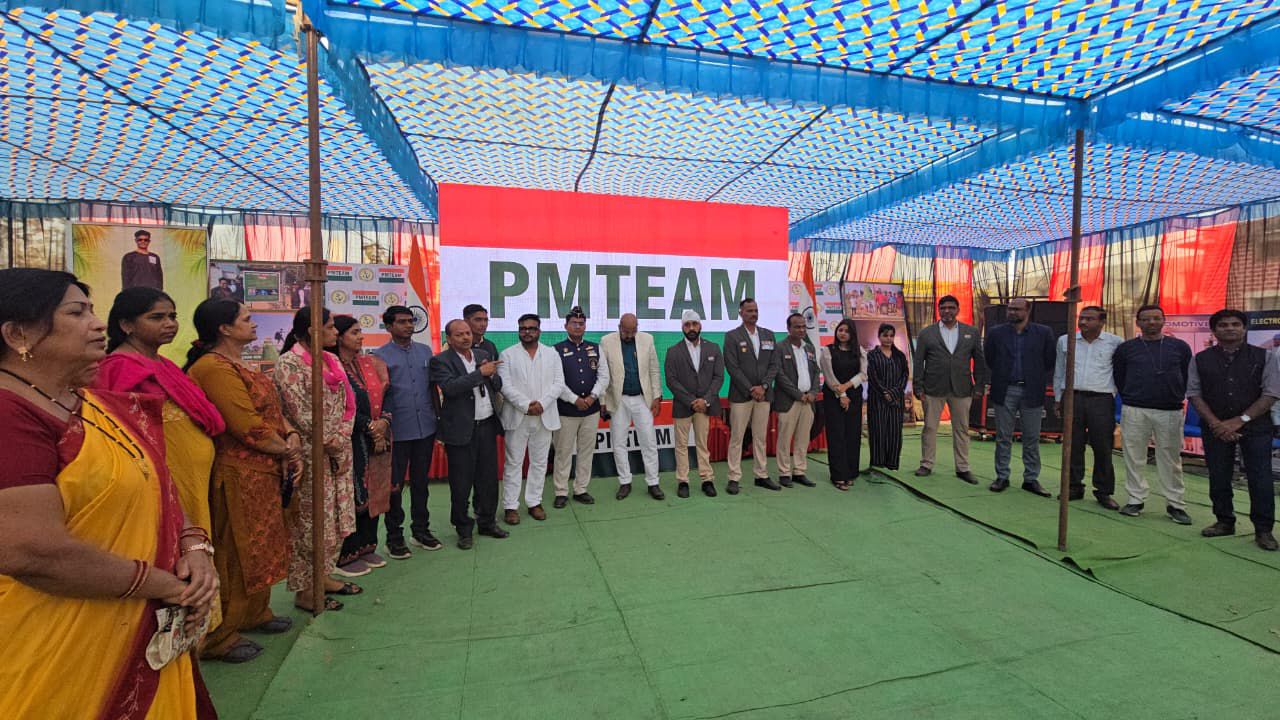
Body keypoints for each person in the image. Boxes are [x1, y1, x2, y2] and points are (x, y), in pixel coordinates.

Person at [0, 269, 216, 717]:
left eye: (92, 310)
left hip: (140, 621)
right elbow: (32, 553)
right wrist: (166, 586)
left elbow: (156, 486)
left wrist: (194, 547)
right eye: (77, 312)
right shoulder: (10, 415)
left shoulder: (93, 403)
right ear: (17, 334)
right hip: (58, 647)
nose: (98, 324)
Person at [93, 288, 231, 648]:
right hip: (165, 477)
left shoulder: (163, 364)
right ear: (126, 325)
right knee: (174, 549)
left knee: (198, 545)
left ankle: (202, 633)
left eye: (172, 316)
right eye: (156, 317)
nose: (169, 324)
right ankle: (183, 637)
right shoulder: (118, 368)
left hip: (193, 477)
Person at [186, 299, 297, 662]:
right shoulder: (212, 368)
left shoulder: (239, 363)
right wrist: (287, 449)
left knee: (262, 547)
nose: (253, 323)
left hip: (264, 471)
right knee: (235, 549)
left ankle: (254, 613)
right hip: (238, 473)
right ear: (224, 328)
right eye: (246, 319)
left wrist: (291, 435)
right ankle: (220, 634)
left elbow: (272, 412)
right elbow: (246, 425)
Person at [274, 308, 359, 612]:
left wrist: (341, 438)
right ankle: (306, 591)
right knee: (310, 524)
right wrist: (331, 441)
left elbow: (349, 405)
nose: (336, 332)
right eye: (331, 327)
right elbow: (300, 413)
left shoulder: (331, 360)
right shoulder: (289, 364)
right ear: (313, 330)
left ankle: (323, 577)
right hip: (311, 456)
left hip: (338, 451)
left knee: (334, 519)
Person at [1188, 310, 1280, 550]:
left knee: (1260, 479)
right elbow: (1194, 393)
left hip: (1256, 427)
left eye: (1235, 324)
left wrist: (1240, 420)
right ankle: (1224, 521)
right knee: (1219, 475)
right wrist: (1216, 424)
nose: (1230, 328)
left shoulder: (1265, 357)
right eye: (1223, 325)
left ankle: (1263, 530)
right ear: (1214, 330)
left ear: (1244, 328)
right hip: (1216, 428)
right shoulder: (1200, 359)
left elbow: (1271, 393)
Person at [430, 319, 509, 548]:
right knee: (461, 484)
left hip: (487, 425)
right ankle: (464, 529)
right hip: (460, 430)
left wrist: (491, 375)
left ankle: (487, 522)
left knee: (488, 480)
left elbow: (497, 385)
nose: (466, 337)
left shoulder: (482, 353)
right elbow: (450, 388)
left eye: (467, 333)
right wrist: (480, 373)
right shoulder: (440, 360)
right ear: (449, 338)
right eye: (459, 334)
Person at [1113, 304, 1194, 524]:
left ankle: (1175, 504)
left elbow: (1187, 375)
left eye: (1156, 318)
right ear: (1138, 322)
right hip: (1135, 408)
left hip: (1170, 409)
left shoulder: (1179, 347)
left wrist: (1174, 394)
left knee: (1171, 458)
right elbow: (1120, 377)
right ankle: (1135, 499)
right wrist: (1132, 395)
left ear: (1163, 321)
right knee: (1133, 456)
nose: (1151, 323)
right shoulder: (1126, 349)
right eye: (1146, 319)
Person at [373, 305, 440, 559]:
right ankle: (394, 537)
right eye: (402, 322)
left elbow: (432, 390)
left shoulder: (425, 352)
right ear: (389, 326)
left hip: (425, 428)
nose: (409, 326)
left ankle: (421, 531)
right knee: (395, 486)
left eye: (410, 321)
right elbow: (378, 397)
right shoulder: (379, 357)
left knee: (421, 483)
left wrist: (439, 420)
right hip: (397, 431)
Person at [330, 315, 393, 575]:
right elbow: (337, 406)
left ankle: (367, 546)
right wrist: (368, 425)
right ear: (339, 336)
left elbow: (389, 394)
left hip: (377, 438)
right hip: (349, 439)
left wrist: (383, 422)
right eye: (354, 332)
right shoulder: (331, 367)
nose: (361, 337)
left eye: (360, 332)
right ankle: (346, 554)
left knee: (373, 491)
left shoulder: (370, 363)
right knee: (352, 494)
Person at [983, 298, 1056, 496]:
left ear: (1028, 310)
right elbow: (990, 358)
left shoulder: (1043, 333)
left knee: (1031, 437)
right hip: (1005, 389)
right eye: (1010, 309)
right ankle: (1002, 476)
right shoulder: (996, 333)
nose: (1012, 312)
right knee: (1003, 436)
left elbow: (1049, 360)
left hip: (1032, 390)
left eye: (1017, 309)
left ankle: (1031, 479)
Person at [1052, 306, 1123, 509]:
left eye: (1089, 319)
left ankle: (1104, 491)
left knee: (1103, 446)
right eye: (1081, 318)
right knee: (1072, 444)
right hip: (1072, 397)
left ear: (1102, 322)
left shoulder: (1115, 343)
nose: (1083, 322)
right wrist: (1058, 398)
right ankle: (1073, 486)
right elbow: (1059, 371)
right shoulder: (1066, 340)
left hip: (1101, 399)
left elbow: (1120, 372)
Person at [498, 314, 565, 523]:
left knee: (539, 462)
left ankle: (534, 502)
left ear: (539, 331)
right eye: (523, 328)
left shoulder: (551, 354)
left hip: (544, 415)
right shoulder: (507, 354)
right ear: (519, 331)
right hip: (517, 416)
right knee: (513, 463)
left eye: (531, 328)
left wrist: (542, 404)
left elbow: (559, 383)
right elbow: (505, 386)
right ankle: (510, 506)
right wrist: (526, 405)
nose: (527, 332)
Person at [912, 294, 985, 484]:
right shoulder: (926, 333)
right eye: (943, 308)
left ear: (957, 310)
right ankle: (926, 464)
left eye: (951, 308)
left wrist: (979, 385)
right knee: (929, 428)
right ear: (939, 310)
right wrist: (918, 387)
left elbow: (979, 361)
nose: (947, 311)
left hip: (962, 388)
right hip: (933, 388)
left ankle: (963, 467)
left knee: (961, 429)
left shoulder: (971, 332)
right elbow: (918, 362)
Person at [599, 313, 665, 500]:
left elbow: (654, 369)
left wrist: (657, 396)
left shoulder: (647, 339)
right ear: (619, 327)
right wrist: (602, 401)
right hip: (617, 399)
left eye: (632, 331)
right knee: (619, 442)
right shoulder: (606, 342)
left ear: (637, 327)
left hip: (642, 399)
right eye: (626, 331)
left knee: (649, 441)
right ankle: (625, 481)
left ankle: (653, 482)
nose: (629, 335)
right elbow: (602, 373)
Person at [552, 306, 610, 507]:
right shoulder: (556, 350)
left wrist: (593, 396)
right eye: (574, 323)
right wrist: (574, 399)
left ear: (585, 326)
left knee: (586, 451)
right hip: (566, 411)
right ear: (566, 326)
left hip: (591, 411)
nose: (578, 326)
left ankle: (581, 489)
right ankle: (561, 491)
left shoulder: (596, 348)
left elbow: (604, 376)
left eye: (581, 323)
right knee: (563, 452)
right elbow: (556, 382)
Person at [664, 309, 724, 498]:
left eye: (694, 324)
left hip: (705, 406)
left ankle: (707, 479)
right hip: (683, 405)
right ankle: (683, 481)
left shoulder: (713, 348)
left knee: (702, 444)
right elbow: (671, 380)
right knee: (681, 445)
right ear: (682, 327)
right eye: (687, 325)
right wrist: (691, 401)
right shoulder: (673, 351)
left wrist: (705, 400)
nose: (691, 328)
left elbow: (718, 377)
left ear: (700, 326)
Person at [723, 298, 780, 492]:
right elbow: (732, 367)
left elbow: (774, 364)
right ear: (740, 313)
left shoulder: (768, 335)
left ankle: (761, 475)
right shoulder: (732, 336)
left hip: (764, 395)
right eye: (749, 311)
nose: (753, 314)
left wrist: (763, 386)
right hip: (741, 395)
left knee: (760, 437)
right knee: (737, 437)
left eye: (755, 310)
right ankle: (733, 477)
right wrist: (751, 389)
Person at [773, 313, 821, 489]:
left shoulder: (810, 348)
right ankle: (784, 473)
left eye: (803, 326)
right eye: (797, 327)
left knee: (803, 438)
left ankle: (799, 471)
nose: (801, 330)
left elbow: (816, 372)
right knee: (784, 439)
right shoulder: (780, 348)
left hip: (808, 401)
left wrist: (813, 392)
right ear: (788, 328)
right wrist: (798, 394)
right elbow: (779, 375)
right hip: (789, 401)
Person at [819, 319, 867, 490]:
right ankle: (838, 475)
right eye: (840, 330)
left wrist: (846, 387)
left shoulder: (859, 351)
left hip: (854, 396)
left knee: (852, 435)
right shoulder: (827, 351)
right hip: (833, 397)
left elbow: (863, 374)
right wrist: (842, 395)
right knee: (836, 435)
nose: (843, 333)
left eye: (847, 331)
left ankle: (851, 472)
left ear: (852, 334)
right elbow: (829, 376)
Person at [866, 323, 909, 472]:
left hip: (896, 400)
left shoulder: (899, 356)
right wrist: (884, 393)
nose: (888, 338)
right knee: (878, 432)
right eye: (885, 335)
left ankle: (892, 465)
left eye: (891, 335)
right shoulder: (872, 355)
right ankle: (877, 465)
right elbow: (872, 377)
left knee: (895, 433)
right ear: (879, 336)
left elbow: (905, 375)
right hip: (877, 400)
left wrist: (894, 393)